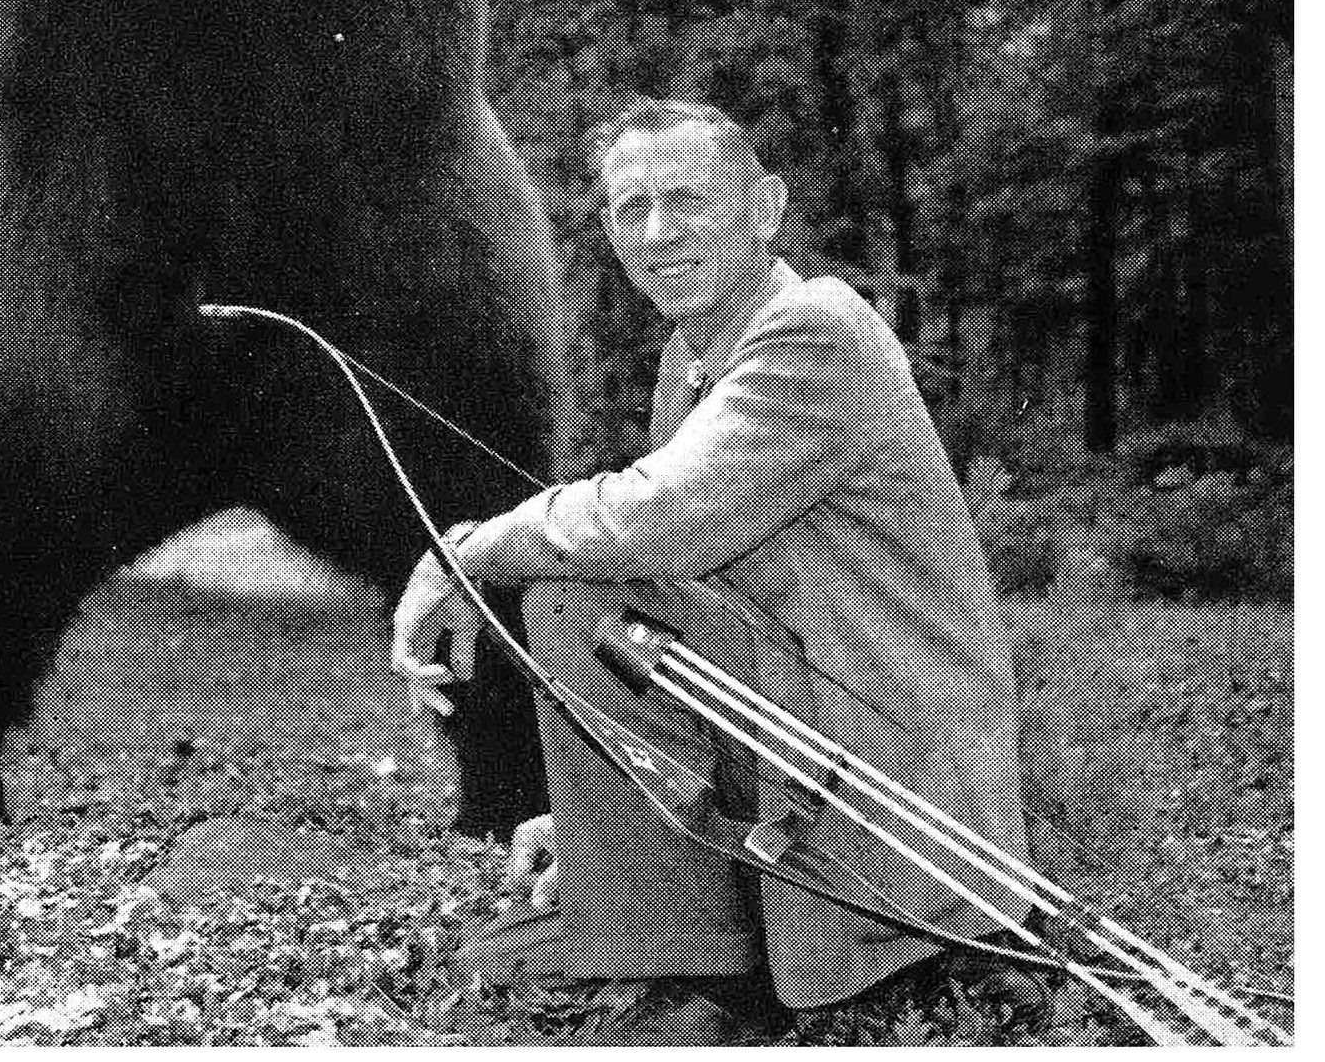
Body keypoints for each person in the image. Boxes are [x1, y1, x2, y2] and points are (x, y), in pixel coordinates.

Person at [390, 100, 1035, 1044]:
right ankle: (677, 922)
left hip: (896, 784)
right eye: (629, 207)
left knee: (574, 604)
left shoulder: (813, 332)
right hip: (804, 718)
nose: (656, 232)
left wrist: (461, 552)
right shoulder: (695, 358)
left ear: (765, 207)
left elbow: (660, 519)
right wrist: (602, 823)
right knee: (505, 945)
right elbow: (707, 606)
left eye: (687, 199)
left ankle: (707, 981)